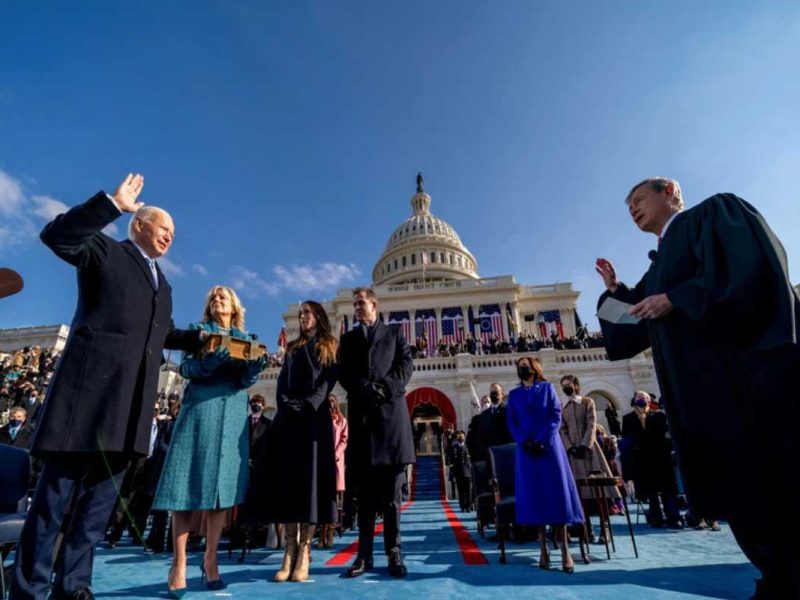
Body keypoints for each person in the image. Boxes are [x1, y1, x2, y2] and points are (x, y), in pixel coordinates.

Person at [596, 176, 800, 599]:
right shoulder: (659, 265)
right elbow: (635, 323)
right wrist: (616, 292)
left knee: (774, 485)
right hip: (701, 398)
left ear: (669, 191)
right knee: (742, 495)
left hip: (741, 384)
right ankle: (777, 576)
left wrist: (678, 298)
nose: (632, 209)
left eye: (638, 199)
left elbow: (752, 271)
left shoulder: (714, 214)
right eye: (627, 206)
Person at [10, 174, 204, 600]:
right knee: (52, 506)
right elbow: (56, 235)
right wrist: (111, 205)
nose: (171, 235)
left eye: (174, 231)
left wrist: (203, 338)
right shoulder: (106, 252)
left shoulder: (164, 285)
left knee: (95, 512)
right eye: (163, 227)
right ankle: (29, 589)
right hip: (86, 404)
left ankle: (74, 586)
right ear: (139, 226)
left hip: (129, 412)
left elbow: (163, 333)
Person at [152, 285, 266, 596]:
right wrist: (208, 364)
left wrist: (253, 372)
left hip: (231, 413)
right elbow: (187, 369)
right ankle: (178, 562)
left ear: (234, 307)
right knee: (185, 487)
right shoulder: (198, 332)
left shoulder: (246, 339)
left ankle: (211, 559)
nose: (218, 301)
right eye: (214, 298)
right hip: (200, 409)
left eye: (224, 298)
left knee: (220, 491)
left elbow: (243, 380)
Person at [339, 287, 415, 579]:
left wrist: (383, 388)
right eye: (355, 304)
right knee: (366, 500)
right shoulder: (348, 339)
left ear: (374, 305)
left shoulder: (394, 334)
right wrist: (362, 387)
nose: (357, 307)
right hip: (363, 425)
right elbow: (344, 372)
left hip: (391, 424)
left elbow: (405, 366)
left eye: (361, 303)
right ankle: (364, 555)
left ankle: (394, 553)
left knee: (393, 499)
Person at [264, 301, 338, 583]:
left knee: (309, 485)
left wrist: (310, 404)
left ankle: (304, 550)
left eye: (306, 313)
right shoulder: (293, 347)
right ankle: (289, 550)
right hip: (290, 420)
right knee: (289, 484)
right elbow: (282, 380)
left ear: (318, 316)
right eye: (300, 314)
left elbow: (328, 380)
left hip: (314, 421)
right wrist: (285, 404)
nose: (302, 317)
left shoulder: (329, 345)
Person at [507, 356, 583, 573]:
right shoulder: (513, 395)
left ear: (534, 368)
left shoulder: (548, 388)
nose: (522, 369)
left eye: (525, 366)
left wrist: (542, 439)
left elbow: (555, 415)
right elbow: (512, 422)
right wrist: (525, 441)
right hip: (527, 451)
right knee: (535, 497)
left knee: (556, 495)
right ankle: (542, 549)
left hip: (549, 448)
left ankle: (566, 551)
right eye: (519, 366)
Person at [558, 374, 620, 540]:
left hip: (590, 450)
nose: (566, 387)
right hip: (573, 454)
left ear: (575, 385)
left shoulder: (587, 402)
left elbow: (592, 424)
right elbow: (562, 429)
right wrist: (570, 447)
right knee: (579, 492)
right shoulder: (562, 407)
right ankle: (586, 528)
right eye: (563, 385)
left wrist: (585, 444)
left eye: (568, 384)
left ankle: (604, 527)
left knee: (600, 491)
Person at [319, 393, 348, 548]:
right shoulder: (321, 420)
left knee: (334, 501)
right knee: (323, 500)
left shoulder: (342, 420)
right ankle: (322, 535)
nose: (330, 405)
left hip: (335, 463)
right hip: (323, 463)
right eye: (328, 402)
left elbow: (344, 440)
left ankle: (330, 533)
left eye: (332, 402)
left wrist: (335, 454)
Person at [446, 430, 471, 512]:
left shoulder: (468, 447)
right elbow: (451, 461)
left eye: (462, 436)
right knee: (460, 491)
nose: (461, 437)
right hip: (458, 472)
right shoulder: (454, 448)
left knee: (468, 490)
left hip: (468, 472)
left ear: (464, 437)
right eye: (459, 436)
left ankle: (469, 506)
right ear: (457, 438)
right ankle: (462, 506)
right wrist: (452, 472)